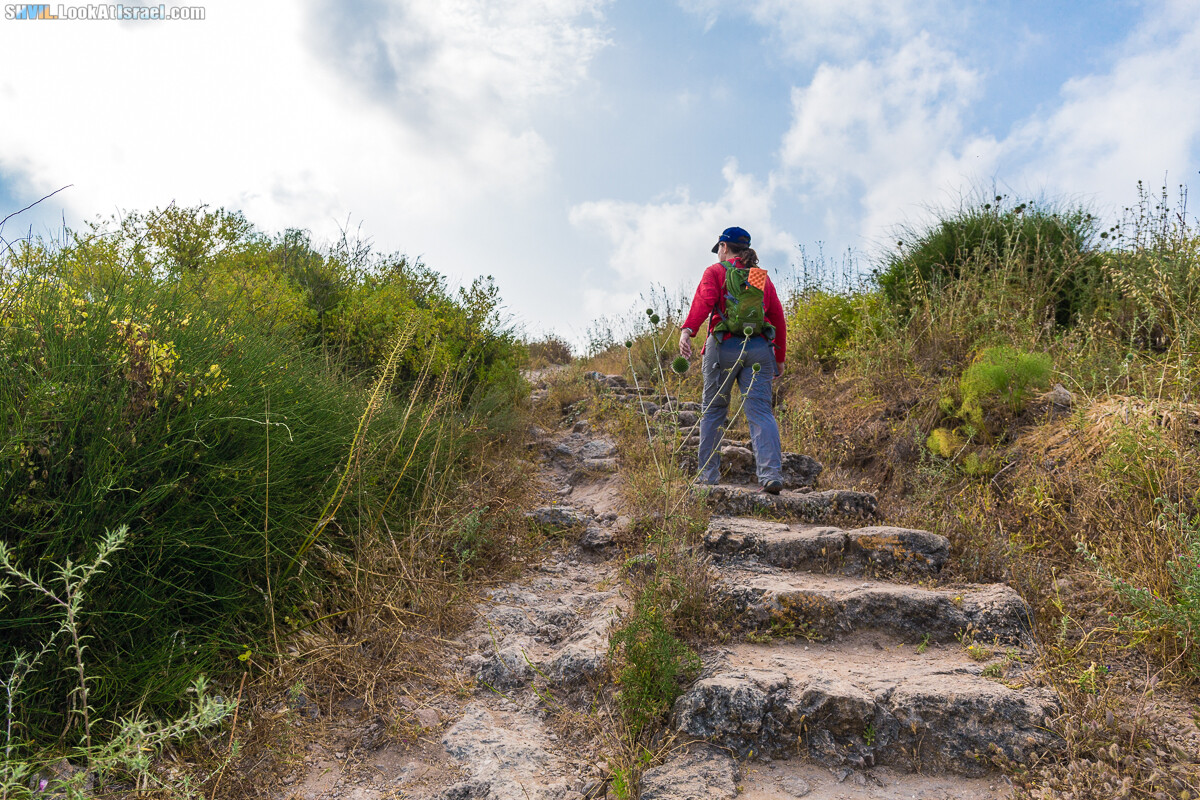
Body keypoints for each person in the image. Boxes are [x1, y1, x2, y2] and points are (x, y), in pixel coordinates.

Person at [678, 226, 787, 493]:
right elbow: (777, 315)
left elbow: (704, 301)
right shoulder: (758, 276)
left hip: (723, 346)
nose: (718, 254)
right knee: (761, 413)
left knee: (714, 411)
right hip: (759, 348)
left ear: (724, 247)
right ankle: (771, 475)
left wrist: (688, 330)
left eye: (719, 249)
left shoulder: (716, 272)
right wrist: (779, 357)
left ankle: (707, 478)